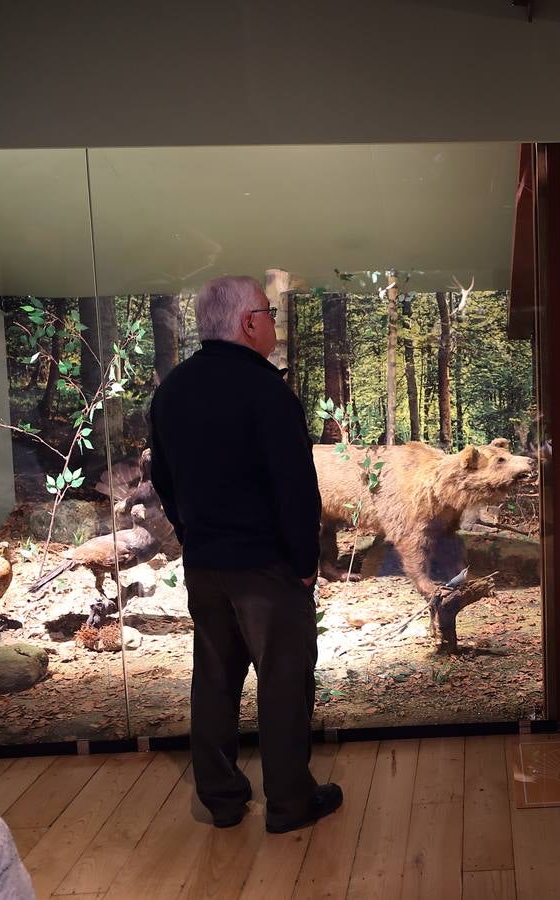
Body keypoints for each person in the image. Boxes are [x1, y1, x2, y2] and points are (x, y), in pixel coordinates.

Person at [148, 274, 341, 833]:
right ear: (247, 322)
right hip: (265, 568)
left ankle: (222, 798)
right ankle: (289, 802)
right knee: (284, 680)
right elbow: (296, 489)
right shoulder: (267, 392)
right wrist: (305, 562)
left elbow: (164, 479)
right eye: (270, 314)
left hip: (206, 564)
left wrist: (194, 537)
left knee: (213, 678)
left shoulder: (173, 390)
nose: (274, 325)